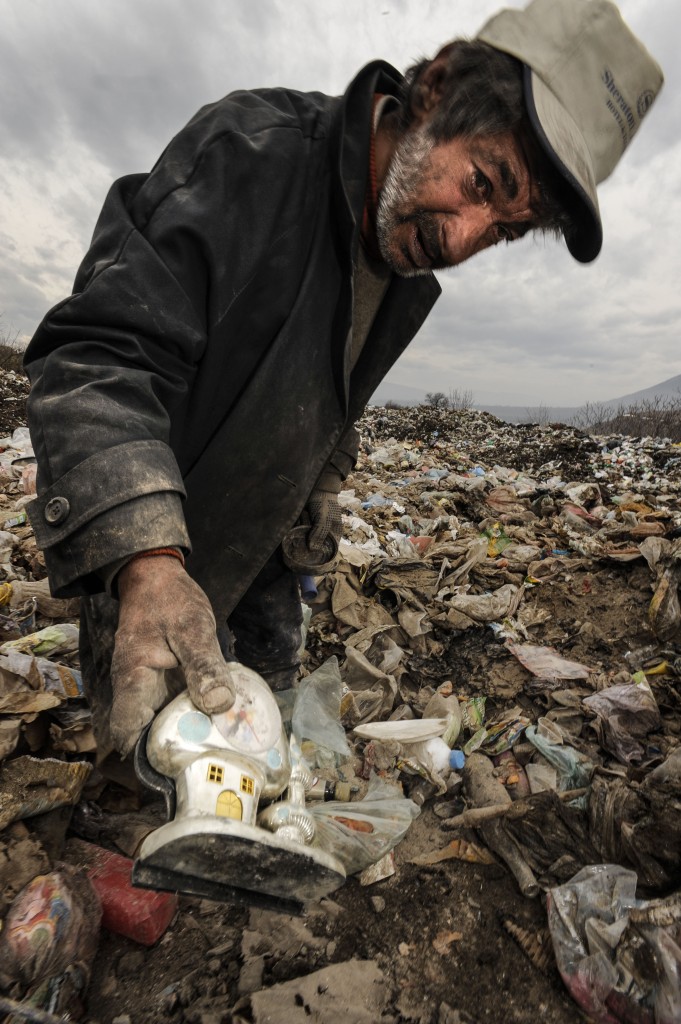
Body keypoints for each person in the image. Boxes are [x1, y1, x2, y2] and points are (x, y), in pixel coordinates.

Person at [24, 0, 662, 760]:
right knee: (153, 766)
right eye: (483, 184)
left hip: (268, 551)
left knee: (268, 754)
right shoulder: (250, 156)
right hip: (157, 549)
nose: (461, 239)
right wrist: (148, 561)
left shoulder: (401, 262)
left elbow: (335, 397)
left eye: (503, 229)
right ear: (437, 86)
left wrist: (322, 489)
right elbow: (99, 356)